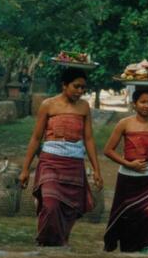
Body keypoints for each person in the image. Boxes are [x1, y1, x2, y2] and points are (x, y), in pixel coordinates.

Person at [19, 67, 104, 247]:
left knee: (70, 207)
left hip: (74, 164)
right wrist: (25, 169)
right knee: (50, 204)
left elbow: (88, 138)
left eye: (83, 88)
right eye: (76, 86)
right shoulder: (48, 105)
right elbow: (36, 137)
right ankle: (45, 240)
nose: (80, 91)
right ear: (64, 85)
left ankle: (59, 241)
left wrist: (97, 170)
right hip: (50, 161)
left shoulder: (84, 107)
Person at [103, 87, 148, 253]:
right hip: (128, 178)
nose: (146, 105)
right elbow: (108, 150)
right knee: (128, 214)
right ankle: (130, 247)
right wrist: (128, 164)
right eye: (142, 102)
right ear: (134, 104)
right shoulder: (124, 124)